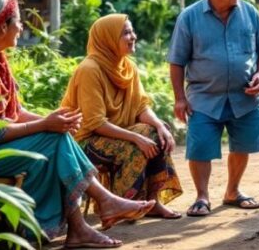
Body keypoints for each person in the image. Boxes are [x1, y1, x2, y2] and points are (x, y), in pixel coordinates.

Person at [0, 0, 155, 248]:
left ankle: (83, 223)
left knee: (58, 135)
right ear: (2, 26)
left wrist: (55, 120)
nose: (22, 27)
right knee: (52, 139)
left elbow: (15, 112)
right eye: (18, 21)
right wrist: (45, 125)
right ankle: (100, 206)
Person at [168, 0, 259, 217]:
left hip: (244, 97)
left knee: (243, 144)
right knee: (200, 147)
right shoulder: (190, 17)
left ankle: (232, 191)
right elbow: (176, 61)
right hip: (204, 98)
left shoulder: (249, 12)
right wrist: (180, 98)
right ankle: (202, 197)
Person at [61, 14, 183, 219]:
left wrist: (160, 126)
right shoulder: (90, 70)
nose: (133, 36)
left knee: (157, 133)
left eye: (132, 31)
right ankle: (123, 203)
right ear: (107, 39)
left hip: (115, 133)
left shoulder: (128, 67)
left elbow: (140, 107)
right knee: (134, 146)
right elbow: (95, 123)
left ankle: (153, 201)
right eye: (126, 32)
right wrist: (136, 137)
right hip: (83, 141)